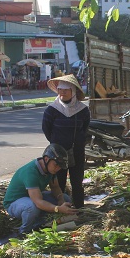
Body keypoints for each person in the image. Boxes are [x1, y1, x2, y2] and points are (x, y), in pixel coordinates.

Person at [3, 143, 79, 235]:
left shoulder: (51, 169)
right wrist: (58, 209)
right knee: (32, 207)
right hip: (15, 203)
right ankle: (24, 231)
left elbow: (55, 187)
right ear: (46, 159)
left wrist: (61, 201)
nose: (58, 168)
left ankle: (39, 224)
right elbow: (38, 202)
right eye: (56, 165)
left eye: (60, 166)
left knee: (66, 198)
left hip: (32, 198)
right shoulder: (31, 172)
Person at [42, 74, 90, 208]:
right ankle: (60, 209)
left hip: (77, 151)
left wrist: (78, 142)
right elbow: (46, 129)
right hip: (57, 153)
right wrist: (56, 143)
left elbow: (85, 128)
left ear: (73, 91)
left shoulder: (83, 110)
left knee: (77, 181)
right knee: (59, 182)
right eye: (60, 90)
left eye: (65, 90)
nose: (62, 92)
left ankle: (79, 209)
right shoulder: (52, 110)